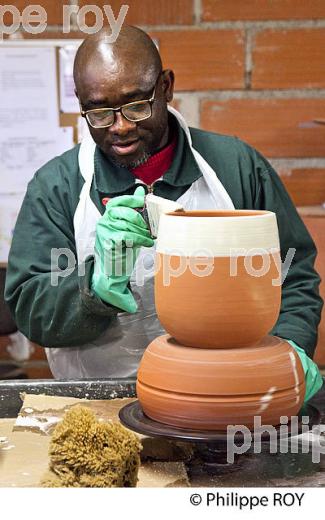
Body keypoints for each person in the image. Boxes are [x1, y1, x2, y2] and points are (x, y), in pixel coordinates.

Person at [4, 26, 323, 401]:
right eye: (100, 113)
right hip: (99, 404)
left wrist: (290, 350)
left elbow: (294, 275)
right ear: (82, 105)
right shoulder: (57, 186)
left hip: (224, 398)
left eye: (137, 105)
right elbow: (30, 306)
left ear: (166, 88)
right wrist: (94, 287)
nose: (121, 127)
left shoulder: (236, 169)